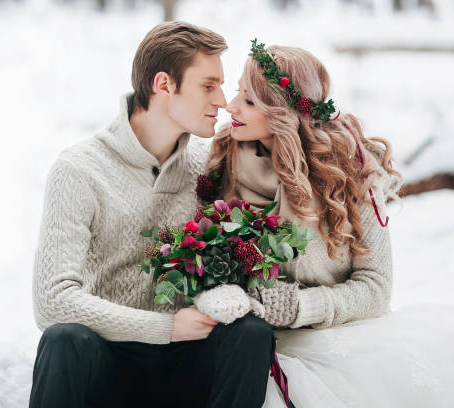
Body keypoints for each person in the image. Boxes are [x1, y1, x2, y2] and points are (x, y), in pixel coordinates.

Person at [205, 41, 454, 407]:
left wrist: (302, 306)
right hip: (247, 345)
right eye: (238, 93)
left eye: (248, 101)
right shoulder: (222, 163)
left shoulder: (350, 175)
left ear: (283, 113)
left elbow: (376, 287)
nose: (231, 107)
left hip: (335, 344)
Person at [29, 23, 274, 408]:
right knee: (64, 339)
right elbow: (52, 301)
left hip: (186, 364)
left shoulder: (206, 166)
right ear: (164, 84)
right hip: (108, 362)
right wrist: (166, 328)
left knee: (252, 334)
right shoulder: (79, 170)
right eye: (208, 86)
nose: (223, 101)